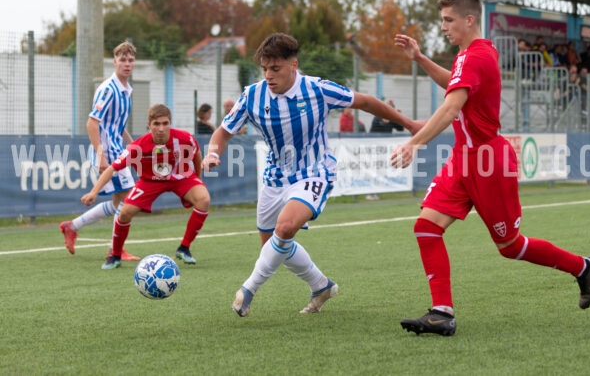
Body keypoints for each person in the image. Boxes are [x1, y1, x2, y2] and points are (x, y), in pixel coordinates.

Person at [391, 0, 590, 337]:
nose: (443, 26)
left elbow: (451, 106)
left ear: (469, 19)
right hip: (464, 160)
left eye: (448, 20)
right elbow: (454, 87)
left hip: (489, 162)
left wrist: (415, 142)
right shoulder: (470, 53)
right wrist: (420, 58)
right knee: (426, 227)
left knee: (511, 247)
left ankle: (582, 267)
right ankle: (442, 312)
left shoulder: (474, 56)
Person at [202, 32, 420, 317]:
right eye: (265, 68)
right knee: (274, 247)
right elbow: (224, 130)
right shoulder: (253, 95)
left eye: (275, 68)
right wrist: (213, 152)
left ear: (293, 65)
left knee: (285, 228)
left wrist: (409, 123)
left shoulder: (317, 89)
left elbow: (365, 102)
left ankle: (248, 289)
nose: (269, 75)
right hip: (273, 178)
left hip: (314, 172)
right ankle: (321, 286)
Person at [81, 103, 210, 269]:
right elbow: (112, 168)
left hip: (180, 176)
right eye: (156, 124)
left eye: (165, 123)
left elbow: (197, 154)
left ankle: (184, 248)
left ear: (170, 123)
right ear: (149, 125)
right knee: (125, 213)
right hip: (150, 181)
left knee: (204, 200)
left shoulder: (184, 138)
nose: (161, 128)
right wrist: (94, 192)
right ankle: (115, 256)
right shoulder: (139, 146)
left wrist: (198, 179)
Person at [59, 41, 139, 261]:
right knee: (128, 200)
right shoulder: (107, 89)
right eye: (122, 59)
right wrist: (101, 154)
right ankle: (116, 249)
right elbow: (91, 123)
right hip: (108, 152)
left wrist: (134, 147)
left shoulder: (126, 90)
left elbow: (117, 124)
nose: (127, 64)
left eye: (130, 60)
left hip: (118, 150)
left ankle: (72, 226)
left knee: (119, 203)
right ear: (114, 62)